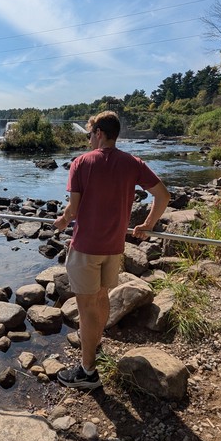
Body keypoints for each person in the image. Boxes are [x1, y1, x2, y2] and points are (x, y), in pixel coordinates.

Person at [53, 111, 170, 389]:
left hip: (86, 248)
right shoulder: (133, 163)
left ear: (100, 133)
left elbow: (74, 209)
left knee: (86, 308)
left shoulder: (81, 163)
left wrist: (63, 220)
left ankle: (87, 372)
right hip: (114, 248)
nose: (89, 139)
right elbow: (163, 196)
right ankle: (96, 344)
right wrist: (147, 223)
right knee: (102, 297)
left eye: (90, 133)